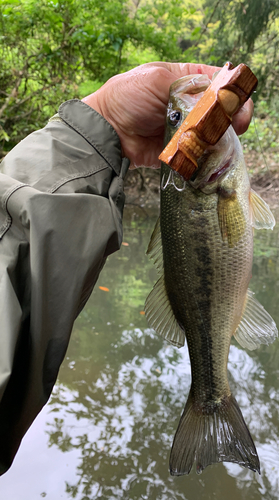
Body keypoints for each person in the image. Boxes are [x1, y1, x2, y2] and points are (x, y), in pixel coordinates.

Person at [0, 62, 253, 475]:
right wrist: (105, 121)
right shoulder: (219, 185)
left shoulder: (218, 185)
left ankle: (209, 398)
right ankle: (211, 397)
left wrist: (109, 121)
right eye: (178, 118)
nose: (183, 112)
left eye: (181, 118)